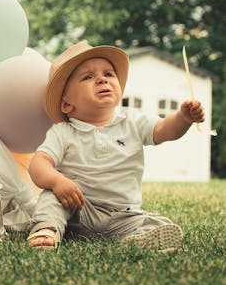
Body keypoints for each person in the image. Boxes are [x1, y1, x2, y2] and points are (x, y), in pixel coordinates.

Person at [27, 41, 205, 251]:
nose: (102, 79)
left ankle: (136, 240)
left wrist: (183, 118)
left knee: (159, 223)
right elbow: (38, 163)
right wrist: (57, 181)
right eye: (88, 77)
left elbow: (164, 130)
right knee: (51, 198)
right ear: (67, 104)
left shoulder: (133, 121)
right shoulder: (64, 131)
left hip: (124, 215)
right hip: (78, 209)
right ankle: (47, 230)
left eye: (109, 74)